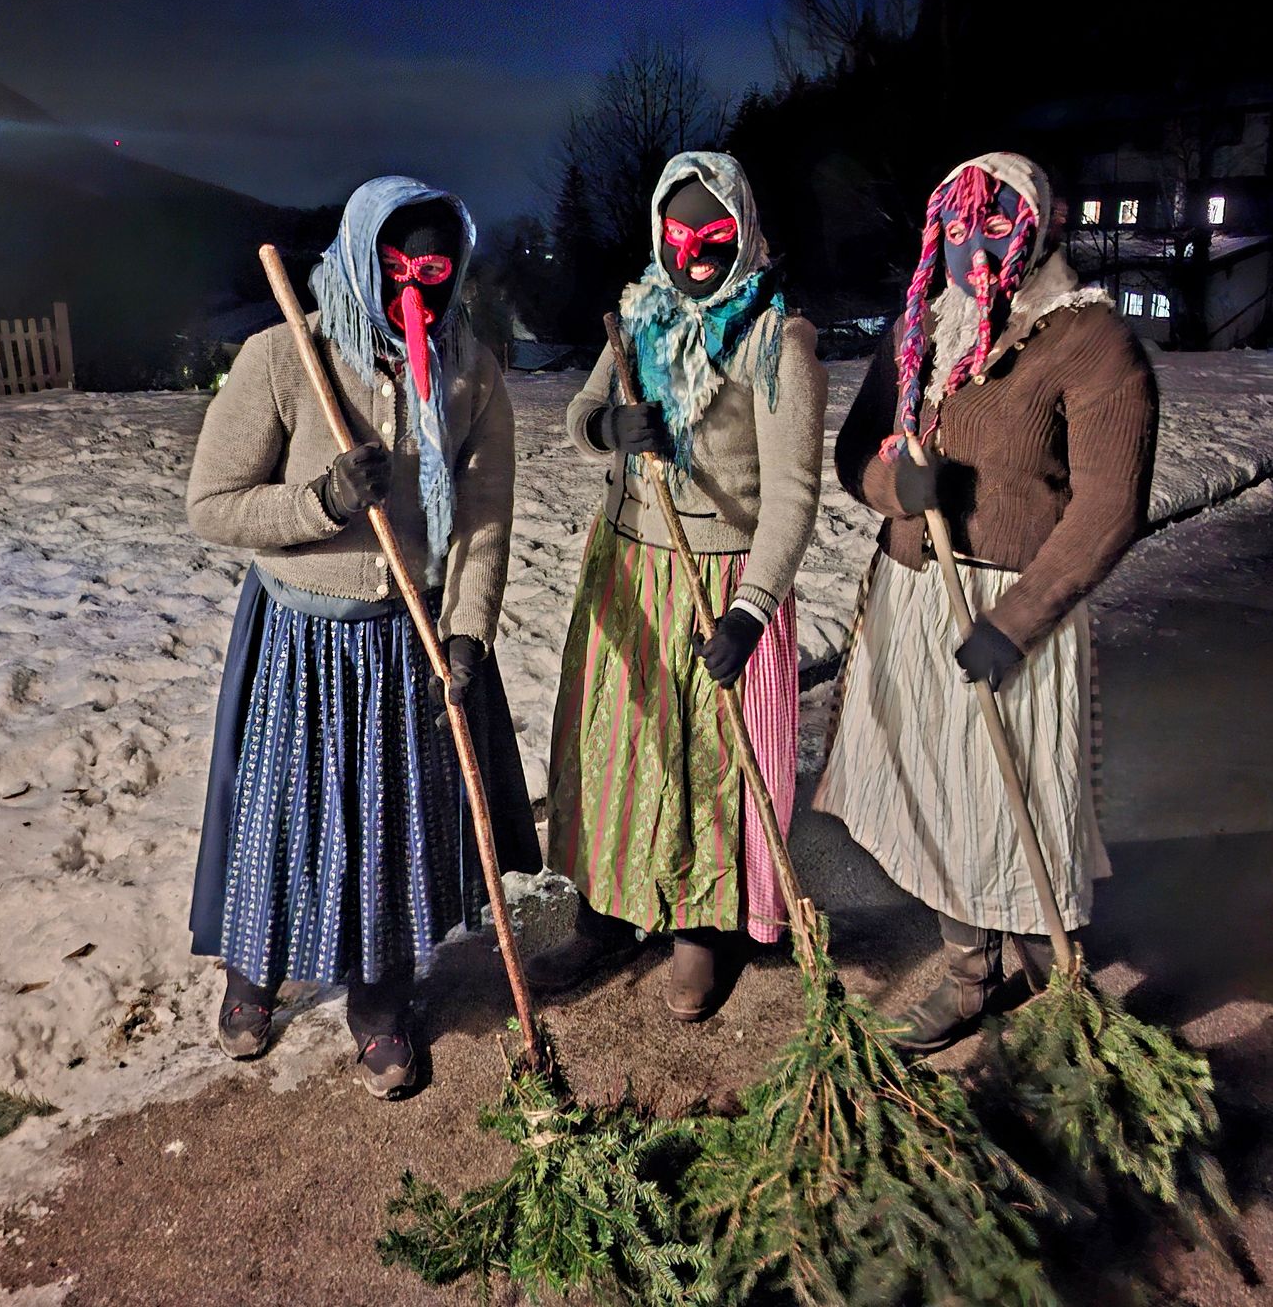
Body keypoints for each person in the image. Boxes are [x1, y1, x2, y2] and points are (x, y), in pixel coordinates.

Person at [186, 175, 539, 1096]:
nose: (412, 290)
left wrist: (466, 634)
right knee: (286, 817)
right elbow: (211, 505)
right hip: (300, 640)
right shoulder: (283, 357)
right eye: (394, 268)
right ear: (355, 257)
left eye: (433, 269)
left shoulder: (470, 371)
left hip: (405, 638)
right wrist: (322, 501)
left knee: (391, 829)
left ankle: (380, 1001)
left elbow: (487, 514)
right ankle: (254, 975)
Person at [815, 152, 1157, 1054]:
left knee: (1023, 804)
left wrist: (1014, 626)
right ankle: (970, 977)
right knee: (943, 795)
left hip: (1016, 612)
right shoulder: (922, 329)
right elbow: (856, 451)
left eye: (997, 223)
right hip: (920, 591)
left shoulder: (1089, 341)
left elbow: (1110, 505)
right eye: (959, 227)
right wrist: (898, 485)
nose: (976, 247)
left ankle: (1061, 994)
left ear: (1039, 225)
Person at [529, 151, 827, 1021]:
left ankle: (706, 924)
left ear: (744, 231)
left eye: (715, 234)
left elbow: (795, 495)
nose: (694, 251)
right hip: (627, 569)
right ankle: (608, 912)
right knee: (623, 748)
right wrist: (610, 426)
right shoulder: (637, 317)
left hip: (717, 577)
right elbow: (581, 416)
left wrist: (753, 609)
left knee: (709, 761)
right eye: (679, 232)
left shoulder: (777, 339)